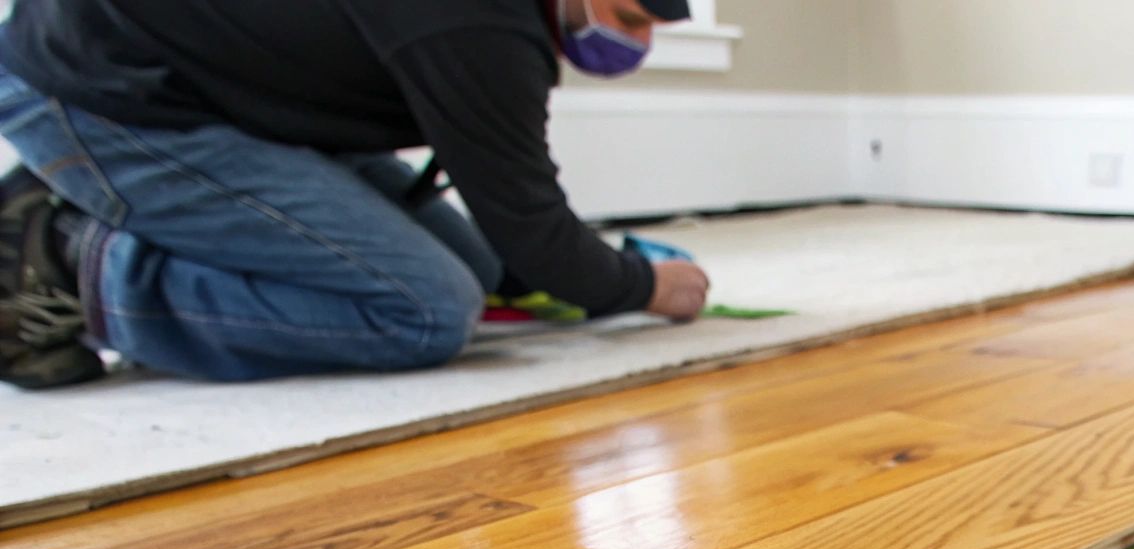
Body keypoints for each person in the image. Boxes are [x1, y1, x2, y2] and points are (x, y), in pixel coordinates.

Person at [0, 0, 712, 389]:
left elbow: (509, 225)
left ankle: (112, 216)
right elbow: (530, 222)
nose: (638, 43)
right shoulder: (479, 29)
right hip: (90, 92)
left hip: (217, 98)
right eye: (630, 19)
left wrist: (567, 273)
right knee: (424, 311)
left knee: (483, 272)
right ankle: (63, 260)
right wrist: (646, 286)